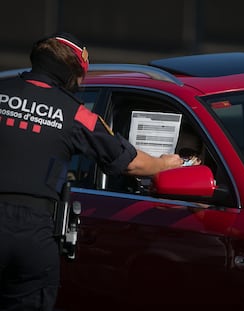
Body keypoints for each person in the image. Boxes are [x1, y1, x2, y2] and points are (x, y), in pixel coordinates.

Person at [0, 32, 183, 311]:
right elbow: (130, 162)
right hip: (33, 232)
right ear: (70, 74)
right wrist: (164, 164)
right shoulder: (76, 114)